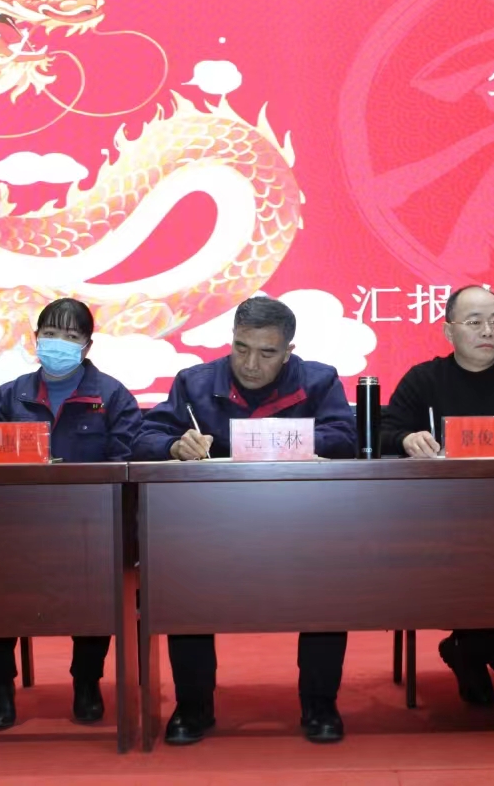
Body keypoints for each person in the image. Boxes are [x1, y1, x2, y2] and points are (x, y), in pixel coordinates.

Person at [136, 296, 358, 745]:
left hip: (302, 524)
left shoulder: (319, 380)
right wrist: (173, 446)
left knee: (329, 588)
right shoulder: (194, 382)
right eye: (241, 348)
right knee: (184, 586)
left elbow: (344, 437)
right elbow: (146, 436)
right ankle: (193, 706)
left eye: (267, 352)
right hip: (211, 526)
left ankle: (320, 704)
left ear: (289, 351)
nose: (251, 364)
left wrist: (278, 440)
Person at [0, 298, 146, 730]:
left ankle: (86, 682)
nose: (58, 343)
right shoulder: (10, 395)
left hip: (89, 526)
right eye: (50, 334)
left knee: (98, 584)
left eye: (70, 336)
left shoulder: (113, 396)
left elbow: (126, 463)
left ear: (87, 346)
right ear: (36, 339)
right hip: (14, 527)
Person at [379, 285, 494, 706]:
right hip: (441, 517)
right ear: (448, 331)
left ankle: (471, 647)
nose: (488, 331)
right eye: (474, 322)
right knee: (480, 552)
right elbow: (381, 433)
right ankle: (485, 641)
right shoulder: (424, 378)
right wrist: (406, 439)